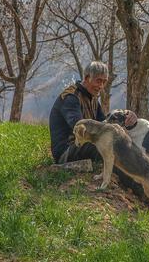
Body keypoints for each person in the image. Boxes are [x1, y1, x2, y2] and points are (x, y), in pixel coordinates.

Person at [49, 61, 144, 195]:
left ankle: (148, 181)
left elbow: (104, 125)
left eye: (104, 82)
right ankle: (140, 189)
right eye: (98, 81)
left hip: (83, 145)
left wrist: (126, 117)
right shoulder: (71, 98)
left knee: (121, 139)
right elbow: (79, 128)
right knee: (106, 146)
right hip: (67, 150)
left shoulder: (92, 98)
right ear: (87, 78)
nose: (101, 86)